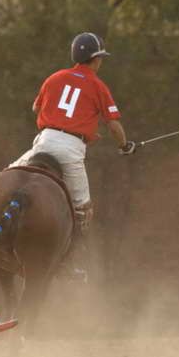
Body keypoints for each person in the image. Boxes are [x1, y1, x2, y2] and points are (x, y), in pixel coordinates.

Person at [11, 32, 135, 276]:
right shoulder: (98, 86)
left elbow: (36, 106)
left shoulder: (55, 77)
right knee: (83, 210)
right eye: (101, 58)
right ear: (96, 59)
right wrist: (124, 146)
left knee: (8, 174)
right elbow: (113, 125)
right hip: (70, 150)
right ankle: (72, 261)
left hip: (44, 141)